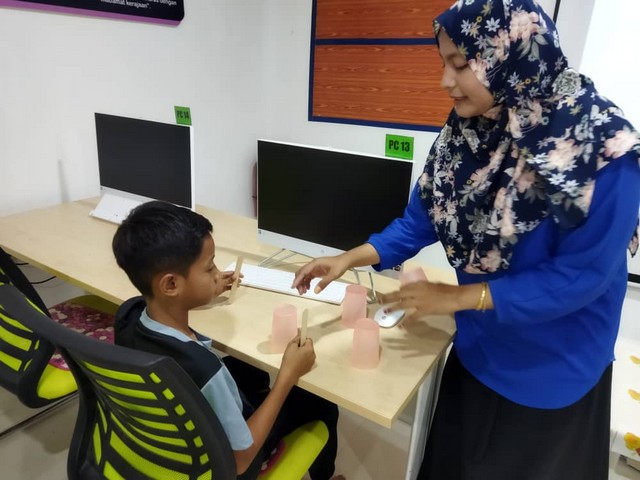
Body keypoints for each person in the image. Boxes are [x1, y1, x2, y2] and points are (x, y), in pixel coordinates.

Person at [293, 1, 640, 478]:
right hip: (478, 346)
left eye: (461, 65)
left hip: (552, 370)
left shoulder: (603, 148)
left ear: (507, 57)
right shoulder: (469, 129)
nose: (445, 81)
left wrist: (459, 296)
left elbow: (582, 277)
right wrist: (348, 258)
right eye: (444, 63)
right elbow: (420, 220)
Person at [112, 200, 343, 480]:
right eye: (209, 268)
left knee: (253, 370)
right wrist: (287, 377)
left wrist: (206, 289)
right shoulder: (205, 369)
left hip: (175, 427)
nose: (216, 272)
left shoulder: (129, 315)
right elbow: (239, 460)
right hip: (236, 462)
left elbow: (167, 308)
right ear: (171, 284)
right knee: (321, 403)